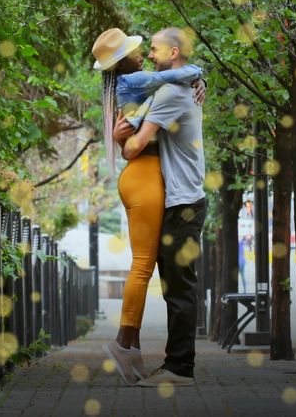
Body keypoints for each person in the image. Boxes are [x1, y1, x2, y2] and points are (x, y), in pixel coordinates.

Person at [92, 28, 204, 386]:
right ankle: (127, 344)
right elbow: (132, 147)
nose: (143, 54)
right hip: (146, 178)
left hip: (154, 182)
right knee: (145, 266)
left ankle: (140, 349)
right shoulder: (141, 84)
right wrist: (196, 74)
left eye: (147, 49)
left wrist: (200, 79)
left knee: (163, 274)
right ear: (122, 63)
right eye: (135, 52)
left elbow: (177, 81)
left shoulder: (143, 87)